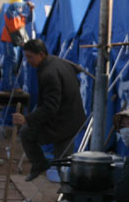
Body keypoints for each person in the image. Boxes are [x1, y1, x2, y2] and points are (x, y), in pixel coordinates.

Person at [12, 39, 86, 181]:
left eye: (30, 57)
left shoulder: (49, 73)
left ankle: (65, 191)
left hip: (66, 121)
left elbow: (50, 107)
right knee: (62, 160)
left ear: (41, 54)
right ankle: (42, 165)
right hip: (69, 116)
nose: (28, 61)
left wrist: (27, 119)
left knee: (63, 162)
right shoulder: (58, 61)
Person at [0, 0, 34, 93]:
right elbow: (13, 6)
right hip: (9, 41)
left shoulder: (20, 17)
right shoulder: (10, 14)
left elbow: (30, 20)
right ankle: (10, 86)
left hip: (16, 43)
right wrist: (25, 3)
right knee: (11, 63)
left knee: (13, 64)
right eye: (20, 5)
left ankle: (9, 85)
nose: (21, 7)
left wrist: (31, 10)